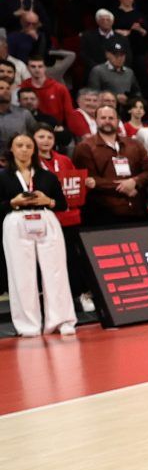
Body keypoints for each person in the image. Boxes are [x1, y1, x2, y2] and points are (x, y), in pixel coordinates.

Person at [4, 130, 74, 337]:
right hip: (16, 220)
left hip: (45, 219)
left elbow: (61, 203)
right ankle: (28, 326)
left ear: (34, 150)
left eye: (28, 146)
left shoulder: (46, 176)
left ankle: (61, 320)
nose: (24, 149)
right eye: (20, 145)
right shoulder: (3, 176)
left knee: (56, 272)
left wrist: (48, 201)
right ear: (11, 149)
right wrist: (12, 202)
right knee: (21, 274)